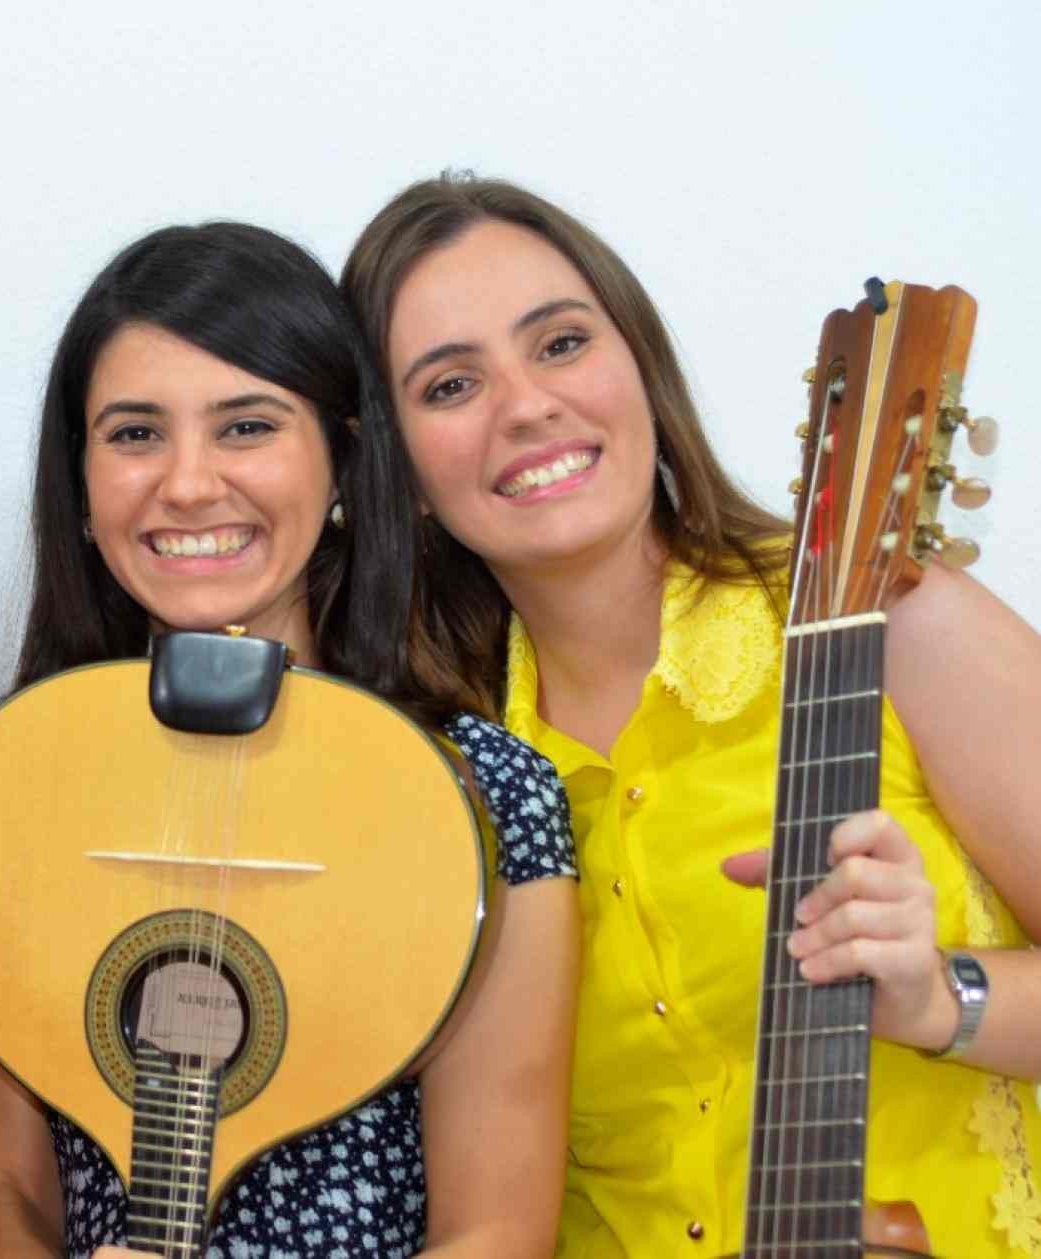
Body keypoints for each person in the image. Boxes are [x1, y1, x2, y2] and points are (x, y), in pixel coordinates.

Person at [341, 172, 1041, 1256]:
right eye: (450, 385)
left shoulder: (890, 622)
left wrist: (936, 997)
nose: (525, 405)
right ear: (398, 467)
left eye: (560, 343)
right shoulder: (436, 781)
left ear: (642, 366)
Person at [0, 222, 578, 1259]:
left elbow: (498, 1229)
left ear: (342, 463)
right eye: (135, 433)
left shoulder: (485, 790)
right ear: (79, 484)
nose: (188, 483)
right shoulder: (21, 773)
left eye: (246, 426)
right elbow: (1, 1191)